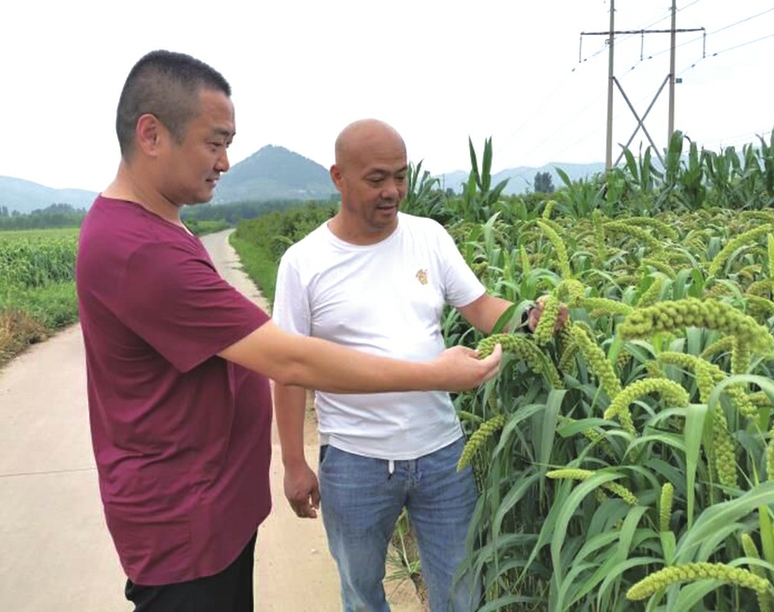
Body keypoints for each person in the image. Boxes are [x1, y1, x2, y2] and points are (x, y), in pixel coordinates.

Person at [75, 52, 504, 612]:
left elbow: (481, 305)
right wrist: (434, 374)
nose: (226, 161)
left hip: (209, 510)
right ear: (152, 135)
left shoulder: (162, 229)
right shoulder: (142, 251)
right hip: (184, 523)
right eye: (215, 142)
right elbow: (291, 362)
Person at [272, 119, 567, 612]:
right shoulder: (304, 263)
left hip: (443, 456)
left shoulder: (428, 236)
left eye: (401, 176)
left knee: (461, 594)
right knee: (362, 596)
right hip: (354, 462)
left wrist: (529, 318)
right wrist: (293, 463)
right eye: (376, 179)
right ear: (338, 177)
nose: (392, 192)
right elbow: (286, 369)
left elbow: (483, 309)